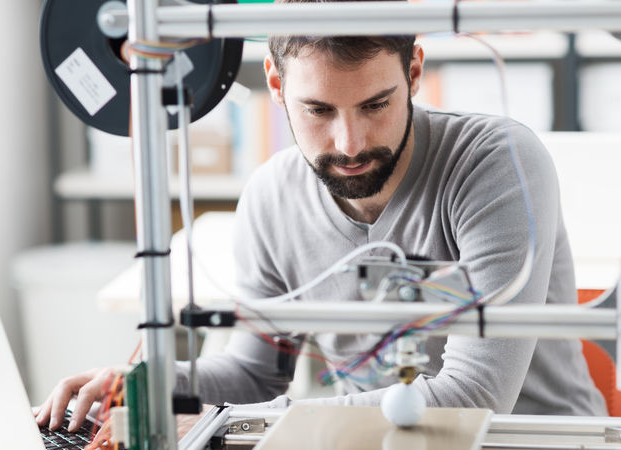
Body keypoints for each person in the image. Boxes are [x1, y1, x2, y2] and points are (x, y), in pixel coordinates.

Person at [35, 0, 607, 439]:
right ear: (277, 85)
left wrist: (227, 422)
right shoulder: (270, 197)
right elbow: (255, 376)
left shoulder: (493, 163)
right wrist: (145, 386)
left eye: (375, 105)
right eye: (318, 109)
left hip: (530, 442)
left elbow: (473, 395)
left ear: (413, 72)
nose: (349, 142)